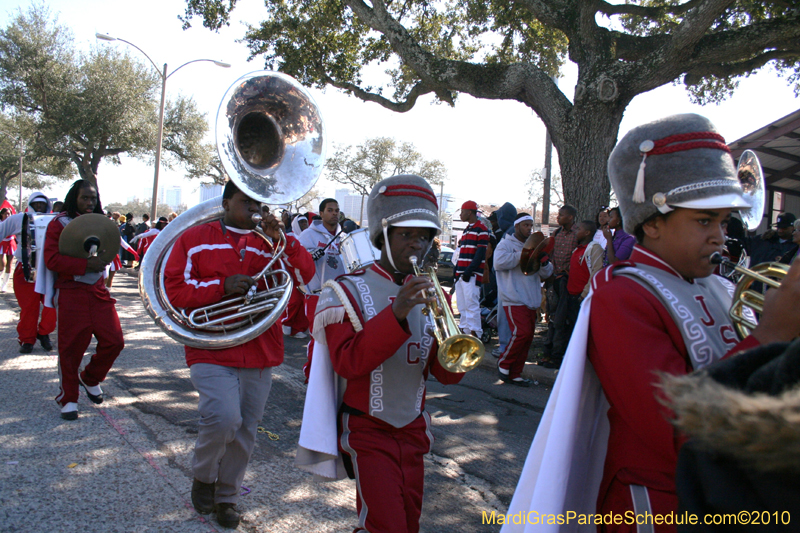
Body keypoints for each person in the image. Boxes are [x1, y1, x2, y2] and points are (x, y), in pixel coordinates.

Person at [502, 113, 800, 533]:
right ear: (652, 223)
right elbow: (681, 426)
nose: (720, 236)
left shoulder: (720, 286)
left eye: (723, 221)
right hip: (656, 509)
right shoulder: (621, 294)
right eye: (704, 221)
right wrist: (772, 333)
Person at [298, 174, 464, 533]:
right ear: (383, 236)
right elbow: (349, 362)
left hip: (414, 429)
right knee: (385, 524)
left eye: (425, 236)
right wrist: (398, 313)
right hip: (367, 429)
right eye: (407, 235)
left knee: (407, 522)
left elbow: (448, 374)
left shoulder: (434, 293)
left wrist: (454, 337)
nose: (417, 245)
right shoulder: (345, 291)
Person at [164, 181, 314, 529]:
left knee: (246, 431)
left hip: (259, 348)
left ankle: (227, 498)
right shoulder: (194, 238)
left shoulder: (270, 243)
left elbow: (306, 276)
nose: (255, 210)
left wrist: (285, 241)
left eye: (259, 204)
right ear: (227, 202)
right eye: (247, 202)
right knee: (222, 419)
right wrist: (222, 286)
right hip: (211, 346)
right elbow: (174, 289)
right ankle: (203, 476)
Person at [44, 180, 124, 421]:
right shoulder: (59, 223)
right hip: (71, 291)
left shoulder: (102, 222)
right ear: (74, 198)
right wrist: (83, 264)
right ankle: (68, 398)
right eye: (85, 198)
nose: (90, 202)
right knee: (70, 349)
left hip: (98, 291)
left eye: (93, 198)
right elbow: (51, 259)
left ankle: (89, 378)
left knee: (115, 341)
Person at [494, 213, 553, 385]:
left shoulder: (535, 246)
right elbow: (498, 263)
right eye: (525, 225)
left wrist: (543, 262)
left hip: (531, 298)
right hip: (513, 297)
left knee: (527, 338)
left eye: (530, 225)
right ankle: (504, 363)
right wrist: (523, 254)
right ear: (517, 226)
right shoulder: (505, 244)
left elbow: (546, 274)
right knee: (521, 333)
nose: (529, 228)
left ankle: (515, 373)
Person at [0, 192, 58, 353]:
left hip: (49, 270)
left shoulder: (56, 220)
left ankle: (44, 333)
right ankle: (27, 339)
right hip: (25, 269)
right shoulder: (19, 219)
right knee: (28, 308)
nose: (39, 207)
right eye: (36, 204)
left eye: (42, 204)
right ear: (31, 203)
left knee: (51, 304)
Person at [299, 199, 345, 376]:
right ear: (321, 213)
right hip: (317, 295)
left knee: (337, 338)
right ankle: (311, 376)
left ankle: (330, 376)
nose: (334, 213)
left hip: (341, 295)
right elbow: (296, 259)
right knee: (318, 339)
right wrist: (310, 256)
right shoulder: (308, 235)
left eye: (337, 210)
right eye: (330, 210)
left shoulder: (344, 236)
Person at [540, 204, 578, 369]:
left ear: (570, 217)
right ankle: (548, 353)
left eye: (561, 215)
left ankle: (558, 355)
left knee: (562, 320)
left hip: (567, 281)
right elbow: (551, 254)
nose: (558, 218)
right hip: (554, 280)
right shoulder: (557, 233)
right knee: (551, 316)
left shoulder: (578, 234)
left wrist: (567, 272)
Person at [454, 200, 489, 338]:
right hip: (461, 273)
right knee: (462, 306)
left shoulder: (482, 229)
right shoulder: (467, 229)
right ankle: (465, 330)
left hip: (471, 274)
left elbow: (480, 254)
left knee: (471, 305)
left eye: (462, 212)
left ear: (469, 212)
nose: (461, 215)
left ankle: (475, 334)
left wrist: (469, 271)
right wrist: (457, 273)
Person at [565, 220, 603, 334]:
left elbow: (596, 273)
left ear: (587, 233)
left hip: (583, 298)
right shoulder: (577, 249)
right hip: (571, 297)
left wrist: (583, 295)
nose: (575, 232)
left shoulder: (594, 249)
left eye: (578, 229)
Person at [0, 207, 15, 291]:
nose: (7, 215)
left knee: (9, 265)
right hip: (1, 243)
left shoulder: (12, 223)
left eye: (9, 214)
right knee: (2, 264)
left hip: (10, 243)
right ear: (2, 214)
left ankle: (4, 285)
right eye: (5, 214)